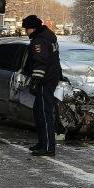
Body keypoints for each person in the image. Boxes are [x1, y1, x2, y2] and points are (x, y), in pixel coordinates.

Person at [21, 15, 62, 156]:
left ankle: (48, 148)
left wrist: (36, 81)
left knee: (45, 113)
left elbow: (40, 63)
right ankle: (42, 142)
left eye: (27, 29)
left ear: (32, 28)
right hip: (49, 78)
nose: (26, 32)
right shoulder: (47, 36)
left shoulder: (40, 41)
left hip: (45, 80)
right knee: (38, 111)